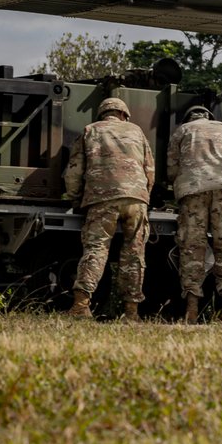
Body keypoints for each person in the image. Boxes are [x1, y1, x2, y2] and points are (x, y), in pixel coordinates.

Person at [63, 97, 155, 322]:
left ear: (102, 114)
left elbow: (74, 171)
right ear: (124, 114)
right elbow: (149, 169)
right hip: (136, 198)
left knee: (96, 248)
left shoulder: (90, 130)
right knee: (134, 255)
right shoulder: (137, 132)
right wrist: (144, 195)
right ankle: (131, 312)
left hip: (102, 198)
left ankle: (81, 305)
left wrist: (75, 199)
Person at [167, 104, 222, 323]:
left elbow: (171, 170)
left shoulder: (183, 131)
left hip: (193, 189)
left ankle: (191, 311)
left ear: (188, 118)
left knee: (192, 248)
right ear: (210, 117)